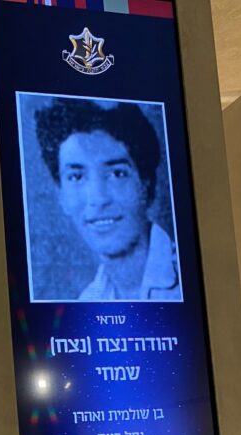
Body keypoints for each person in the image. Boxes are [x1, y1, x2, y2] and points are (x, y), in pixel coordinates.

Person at [35, 99, 181, 301]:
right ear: (61, 195)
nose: (98, 199)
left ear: (146, 183)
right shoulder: (88, 301)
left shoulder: (190, 282)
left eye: (117, 174)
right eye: (76, 177)